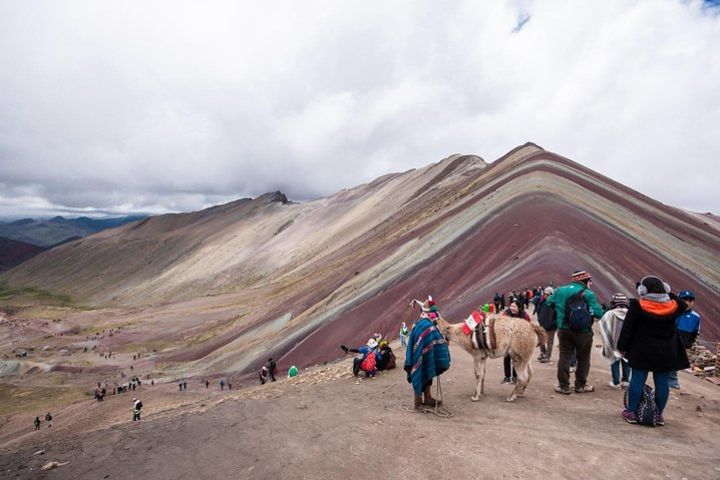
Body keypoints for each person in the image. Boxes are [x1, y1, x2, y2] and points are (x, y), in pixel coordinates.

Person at [618, 276, 689, 425]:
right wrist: (667, 293)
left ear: (643, 290)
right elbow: (682, 303)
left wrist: (622, 347)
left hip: (641, 350)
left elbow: (627, 329)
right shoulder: (674, 307)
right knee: (662, 382)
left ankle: (631, 412)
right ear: (666, 289)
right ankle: (658, 415)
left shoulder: (638, 306)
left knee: (637, 380)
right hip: (666, 352)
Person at [547, 270, 604, 394]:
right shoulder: (588, 294)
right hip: (584, 332)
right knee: (583, 358)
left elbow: (548, 302)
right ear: (583, 281)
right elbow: (599, 313)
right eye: (589, 281)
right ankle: (580, 385)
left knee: (565, 356)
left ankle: (563, 386)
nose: (591, 283)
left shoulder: (560, 291)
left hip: (564, 329)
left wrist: (559, 312)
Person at [404, 296, 451, 410]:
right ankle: (418, 402)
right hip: (420, 355)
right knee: (420, 372)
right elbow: (430, 338)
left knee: (427, 370)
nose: (435, 315)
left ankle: (428, 397)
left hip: (425, 354)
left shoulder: (423, 323)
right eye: (433, 313)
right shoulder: (426, 325)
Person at [669, 290, 701, 389]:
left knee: (675, 361)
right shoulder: (671, 311)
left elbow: (696, 332)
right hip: (667, 340)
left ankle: (672, 381)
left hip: (681, 343)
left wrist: (689, 343)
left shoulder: (696, 317)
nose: (687, 302)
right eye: (684, 299)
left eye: (690, 300)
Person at [599, 293, 631, 389]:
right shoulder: (630, 313)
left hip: (613, 342)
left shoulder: (610, 314)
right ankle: (626, 381)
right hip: (627, 342)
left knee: (614, 360)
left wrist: (607, 339)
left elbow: (603, 325)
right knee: (626, 360)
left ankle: (616, 382)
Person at [501, 299, 531, 383]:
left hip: (519, 341)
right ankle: (507, 377)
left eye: (514, 306)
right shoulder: (506, 313)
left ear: (519, 307)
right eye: (511, 306)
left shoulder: (524, 315)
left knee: (516, 359)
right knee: (506, 358)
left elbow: (528, 327)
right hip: (508, 340)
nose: (512, 308)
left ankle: (515, 377)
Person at [536, 287, 556, 363]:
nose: (546, 296)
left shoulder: (555, 304)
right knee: (541, 340)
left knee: (549, 342)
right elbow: (539, 311)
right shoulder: (541, 302)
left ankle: (547, 356)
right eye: (545, 294)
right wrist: (540, 320)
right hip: (542, 325)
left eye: (548, 294)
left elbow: (558, 315)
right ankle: (543, 353)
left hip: (551, 326)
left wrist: (554, 323)